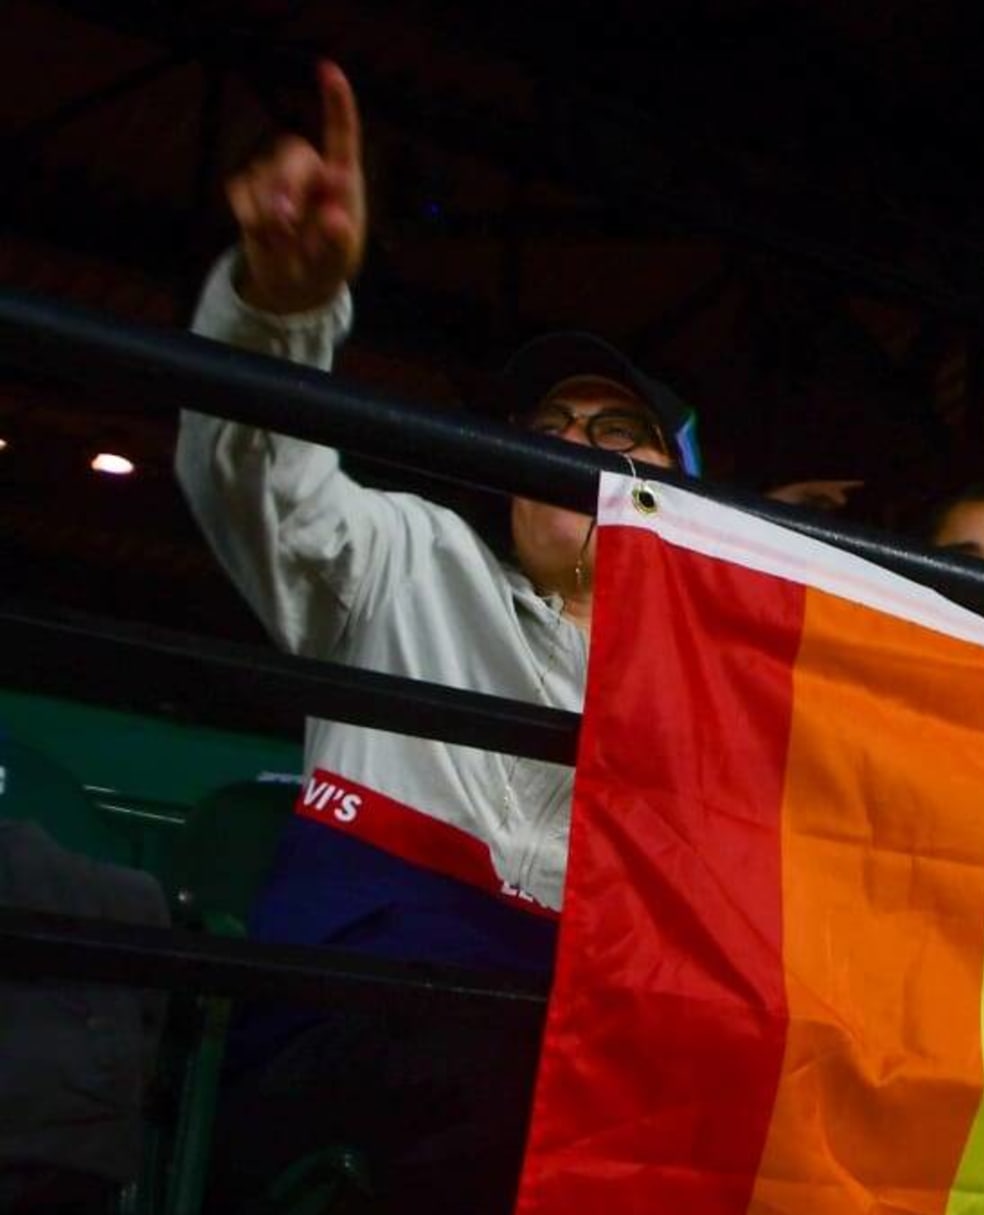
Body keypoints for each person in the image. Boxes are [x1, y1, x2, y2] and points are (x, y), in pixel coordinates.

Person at [175, 62, 704, 1213]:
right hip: (359, 1032)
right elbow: (252, 478)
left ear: (686, 490)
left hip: (596, 1063)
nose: (578, 446)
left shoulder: (727, 694)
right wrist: (278, 313)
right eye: (551, 428)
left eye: (622, 432)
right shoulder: (411, 561)